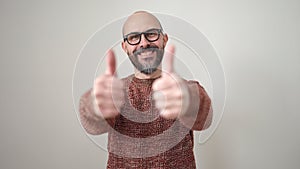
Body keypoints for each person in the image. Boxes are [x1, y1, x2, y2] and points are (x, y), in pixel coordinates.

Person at [79, 11, 213, 169]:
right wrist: (95, 105)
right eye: (134, 37)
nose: (143, 43)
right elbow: (91, 124)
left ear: (164, 39)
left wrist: (188, 101)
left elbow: (206, 119)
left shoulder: (183, 89)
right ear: (125, 47)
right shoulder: (115, 92)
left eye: (151, 34)